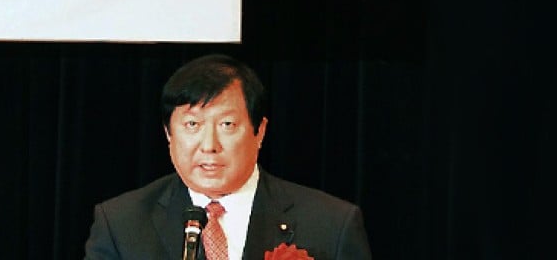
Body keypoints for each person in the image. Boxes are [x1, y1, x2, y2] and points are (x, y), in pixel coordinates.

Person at [83, 54, 372, 260]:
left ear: (259, 131)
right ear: (169, 133)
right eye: (192, 124)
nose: (209, 145)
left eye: (227, 125)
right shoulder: (121, 224)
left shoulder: (331, 225)